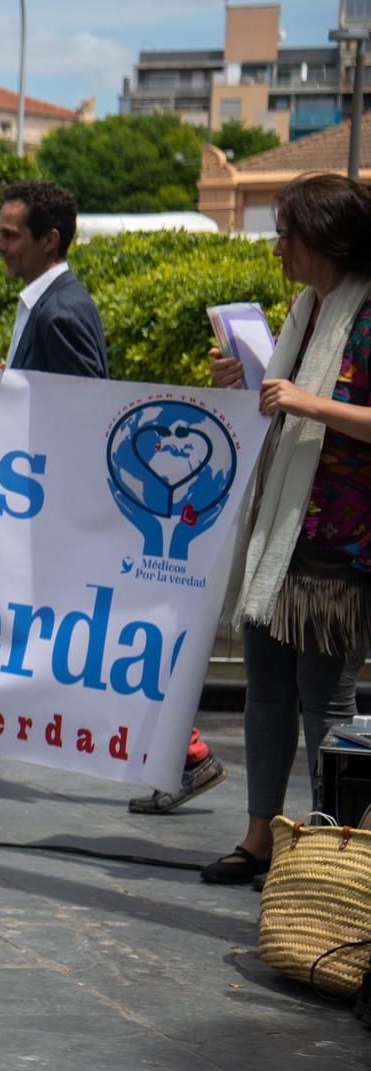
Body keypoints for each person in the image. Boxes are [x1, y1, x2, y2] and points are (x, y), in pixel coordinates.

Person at [0, 180, 223, 810]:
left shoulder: (59, 309)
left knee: (91, 635)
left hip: (58, 506)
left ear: (47, 239)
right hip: (47, 502)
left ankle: (186, 752)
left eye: (9, 234)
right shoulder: (49, 303)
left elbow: (89, 408)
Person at [200, 173, 371, 885]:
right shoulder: (309, 310)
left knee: (323, 695)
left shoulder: (365, 318)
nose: (277, 248)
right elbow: (282, 408)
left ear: (325, 240)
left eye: (285, 234)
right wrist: (245, 381)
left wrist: (306, 399)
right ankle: (260, 836)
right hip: (281, 535)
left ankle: (331, 851)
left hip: (338, 544)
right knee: (265, 689)